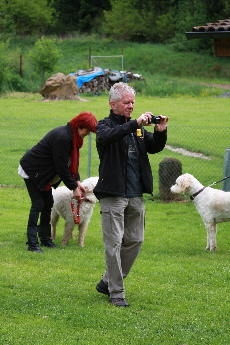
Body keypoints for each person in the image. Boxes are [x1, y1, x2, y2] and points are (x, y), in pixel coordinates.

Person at [94, 82, 168, 307]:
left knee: (135, 240)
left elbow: (153, 147)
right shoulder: (104, 125)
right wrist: (134, 123)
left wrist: (160, 130)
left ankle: (108, 281)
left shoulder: (137, 129)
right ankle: (117, 293)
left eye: (133, 102)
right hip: (113, 193)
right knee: (114, 243)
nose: (131, 106)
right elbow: (109, 137)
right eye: (126, 102)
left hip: (135, 193)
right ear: (113, 104)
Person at [18, 111, 97, 253]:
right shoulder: (63, 137)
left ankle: (45, 239)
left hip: (44, 173)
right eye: (87, 130)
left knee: (48, 204)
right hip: (32, 170)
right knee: (38, 204)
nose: (88, 134)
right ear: (80, 126)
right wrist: (74, 188)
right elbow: (61, 168)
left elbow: (71, 164)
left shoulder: (72, 137)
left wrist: (77, 181)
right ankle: (32, 243)